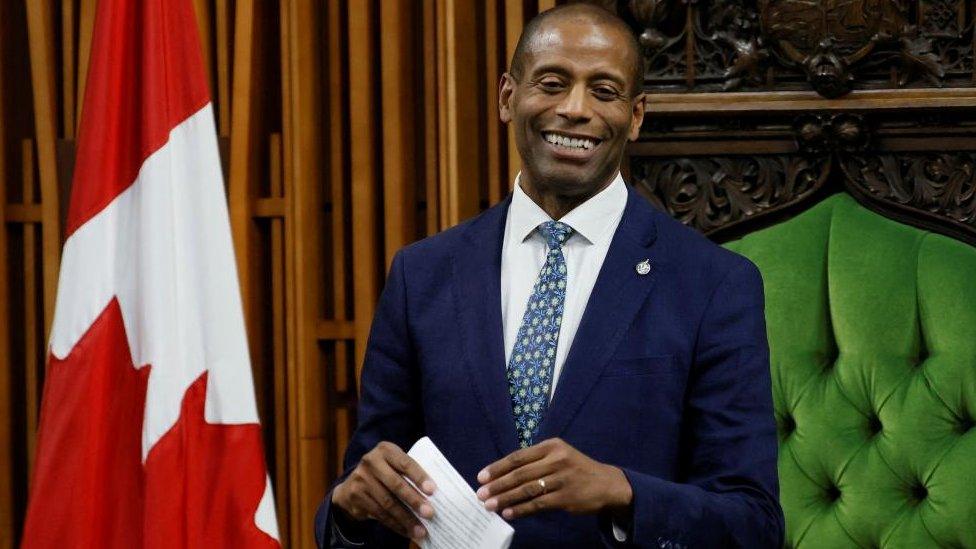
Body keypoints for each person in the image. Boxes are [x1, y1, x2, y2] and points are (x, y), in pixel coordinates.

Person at [314, 4, 783, 547]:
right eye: (553, 83)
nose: (575, 110)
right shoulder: (422, 276)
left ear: (635, 116)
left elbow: (754, 524)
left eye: (604, 92)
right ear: (507, 97)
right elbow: (366, 495)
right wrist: (349, 510)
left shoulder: (714, 285)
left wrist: (622, 491)